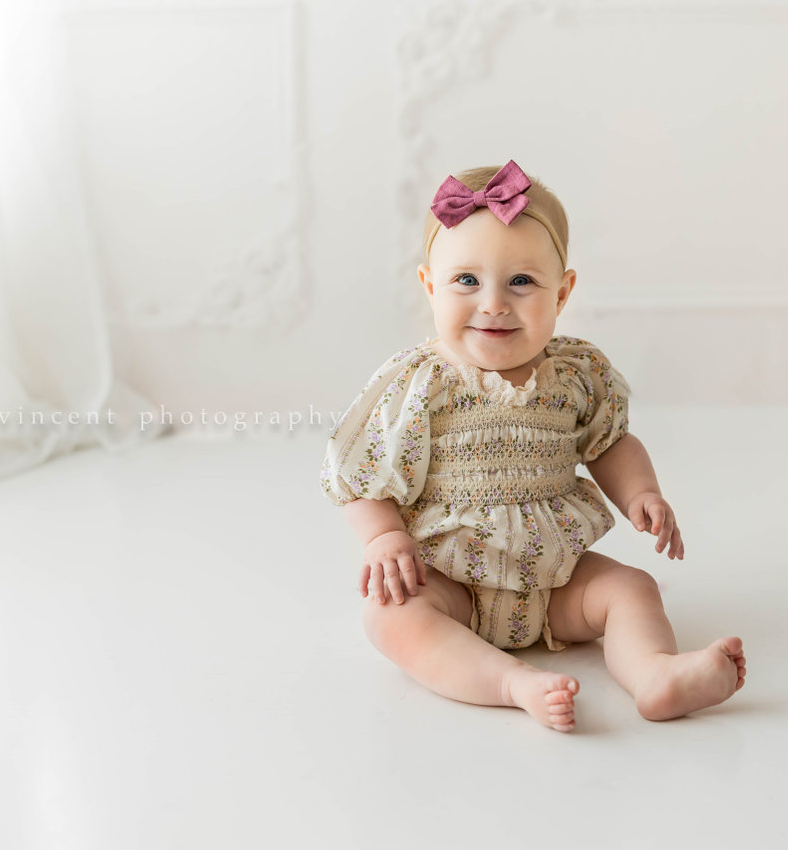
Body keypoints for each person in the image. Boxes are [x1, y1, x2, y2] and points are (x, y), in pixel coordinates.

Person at [320, 160, 746, 732]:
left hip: (556, 577)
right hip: (451, 581)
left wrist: (641, 492)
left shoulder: (576, 374)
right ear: (429, 286)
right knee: (392, 618)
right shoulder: (418, 386)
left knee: (629, 588)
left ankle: (653, 674)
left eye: (521, 281)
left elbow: (610, 444)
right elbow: (362, 477)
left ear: (563, 292)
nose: (493, 303)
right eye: (466, 280)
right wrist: (384, 537)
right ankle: (508, 682)